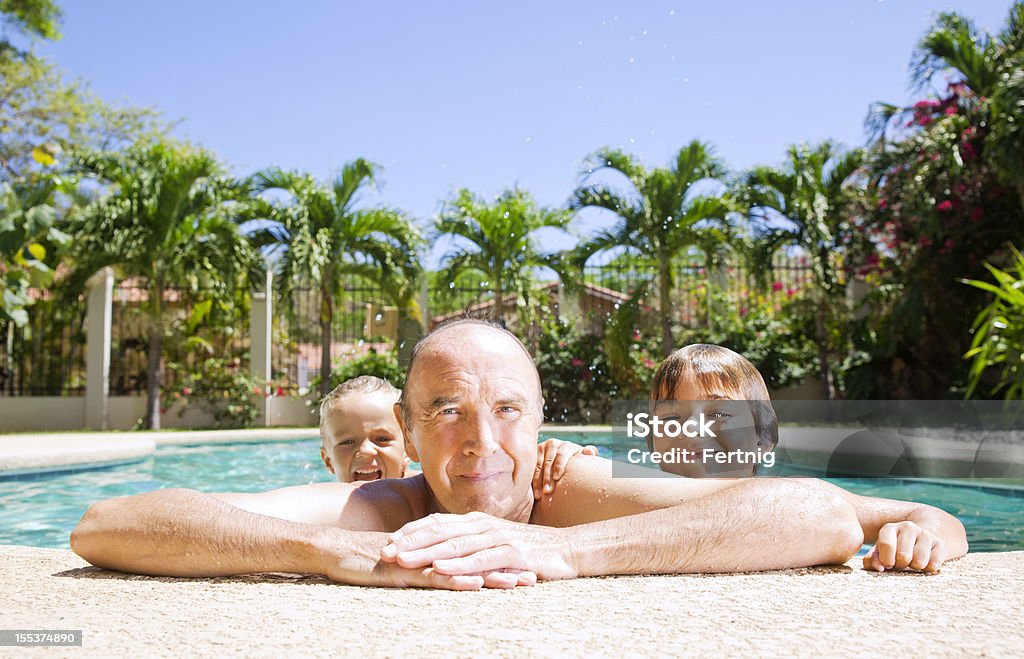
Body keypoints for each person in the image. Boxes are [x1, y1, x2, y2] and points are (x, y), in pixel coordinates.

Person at [70, 320, 966, 590]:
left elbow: (818, 511)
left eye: (506, 409)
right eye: (447, 412)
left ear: (540, 421)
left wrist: (562, 550)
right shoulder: (383, 510)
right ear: (410, 433)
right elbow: (107, 521)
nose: (479, 441)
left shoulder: (567, 489)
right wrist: (324, 553)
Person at [649, 343, 967, 573]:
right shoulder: (641, 492)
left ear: (763, 437)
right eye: (670, 418)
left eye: (719, 412)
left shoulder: (794, 501)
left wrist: (918, 536)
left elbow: (932, 515)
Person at [319, 374, 596, 496]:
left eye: (382, 439)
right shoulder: (323, 507)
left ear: (409, 442)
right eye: (347, 442)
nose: (365, 451)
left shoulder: (437, 489)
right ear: (327, 460)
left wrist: (549, 457)